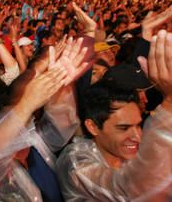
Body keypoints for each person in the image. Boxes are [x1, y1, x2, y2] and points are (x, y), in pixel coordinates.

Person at [56, 29, 172, 201]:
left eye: (138, 126)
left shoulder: (123, 152)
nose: (137, 137)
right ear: (93, 126)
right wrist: (169, 104)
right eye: (123, 128)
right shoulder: (76, 162)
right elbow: (133, 189)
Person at [0, 37, 89, 201]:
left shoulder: (36, 141)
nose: (22, 123)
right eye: (14, 117)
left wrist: (61, 83)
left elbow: (63, 122)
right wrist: (26, 105)